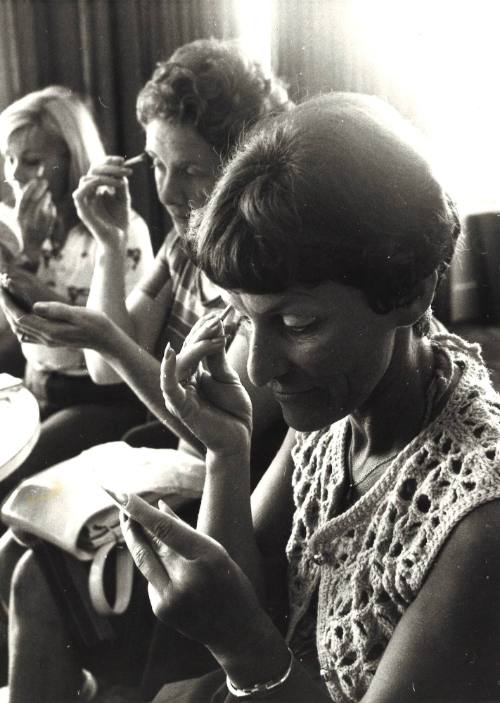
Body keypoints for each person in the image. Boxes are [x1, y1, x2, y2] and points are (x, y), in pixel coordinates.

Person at [117, 93, 500, 703]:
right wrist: (225, 450)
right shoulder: (337, 410)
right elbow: (255, 590)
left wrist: (243, 646)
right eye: (246, 320)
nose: (262, 369)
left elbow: (248, 632)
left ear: (408, 292)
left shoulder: (479, 519)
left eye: (296, 325)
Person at [0, 41, 291, 703]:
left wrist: (102, 333)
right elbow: (106, 366)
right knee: (14, 550)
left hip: (227, 490)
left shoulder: (267, 272)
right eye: (157, 163)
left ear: (245, 160)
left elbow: (216, 428)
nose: (166, 189)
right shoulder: (185, 242)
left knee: (31, 582)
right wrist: (106, 241)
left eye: (189, 168)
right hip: (167, 461)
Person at [0, 85, 153, 491]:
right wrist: (26, 252)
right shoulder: (20, 229)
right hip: (33, 385)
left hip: (96, 400)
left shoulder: (122, 231)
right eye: (10, 159)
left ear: (72, 162)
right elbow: (6, 336)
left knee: (10, 484)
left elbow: (112, 350)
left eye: (32, 161)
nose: (14, 174)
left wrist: (29, 280)